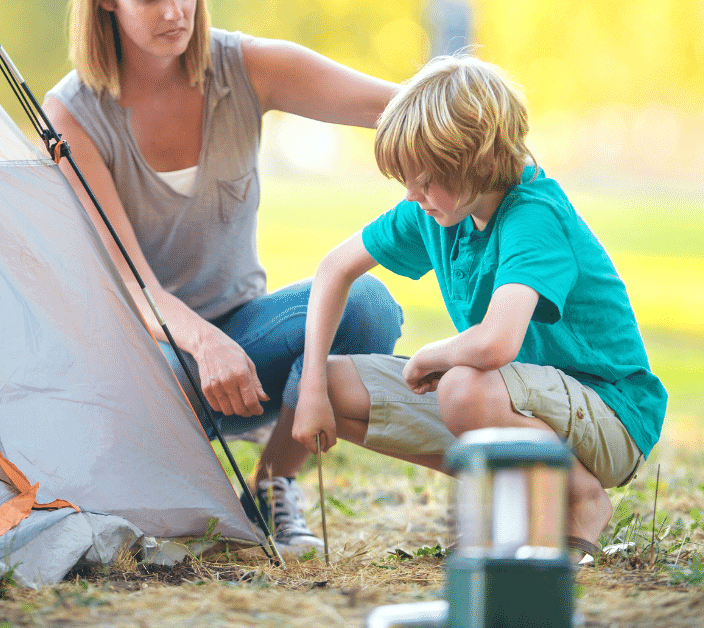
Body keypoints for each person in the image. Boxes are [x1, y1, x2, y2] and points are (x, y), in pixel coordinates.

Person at [43, 0, 404, 553]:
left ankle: (272, 482)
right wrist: (205, 343)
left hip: (248, 357)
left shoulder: (246, 66)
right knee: (140, 393)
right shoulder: (71, 112)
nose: (173, 12)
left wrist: (484, 130)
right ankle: (176, 493)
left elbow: (400, 106)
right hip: (150, 367)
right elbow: (132, 284)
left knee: (369, 305)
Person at [290, 53, 667, 561]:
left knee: (462, 384)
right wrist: (311, 386)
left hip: (609, 415)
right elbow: (335, 268)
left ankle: (579, 496)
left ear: (475, 161)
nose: (412, 195)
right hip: (505, 397)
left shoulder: (533, 214)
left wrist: (430, 356)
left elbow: (495, 342)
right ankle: (518, 489)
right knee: (326, 383)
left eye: (424, 180)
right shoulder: (438, 209)